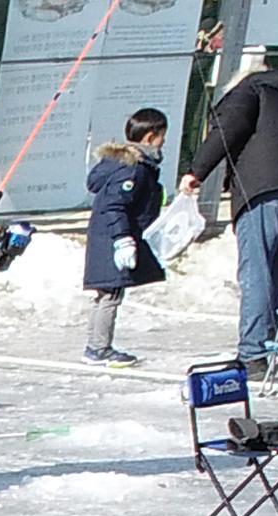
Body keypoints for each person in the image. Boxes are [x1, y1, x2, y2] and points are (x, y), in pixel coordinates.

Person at [183, 51, 278, 375]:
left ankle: (252, 353)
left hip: (266, 185)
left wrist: (197, 171)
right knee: (273, 270)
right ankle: (266, 342)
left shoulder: (250, 91)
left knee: (256, 270)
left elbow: (227, 128)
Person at [80, 109, 170, 364]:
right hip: (112, 237)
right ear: (151, 137)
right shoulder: (132, 169)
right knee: (111, 294)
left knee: (108, 292)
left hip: (109, 236)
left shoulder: (132, 165)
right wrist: (123, 239)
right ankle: (99, 347)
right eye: (162, 135)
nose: (164, 141)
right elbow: (115, 205)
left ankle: (96, 345)